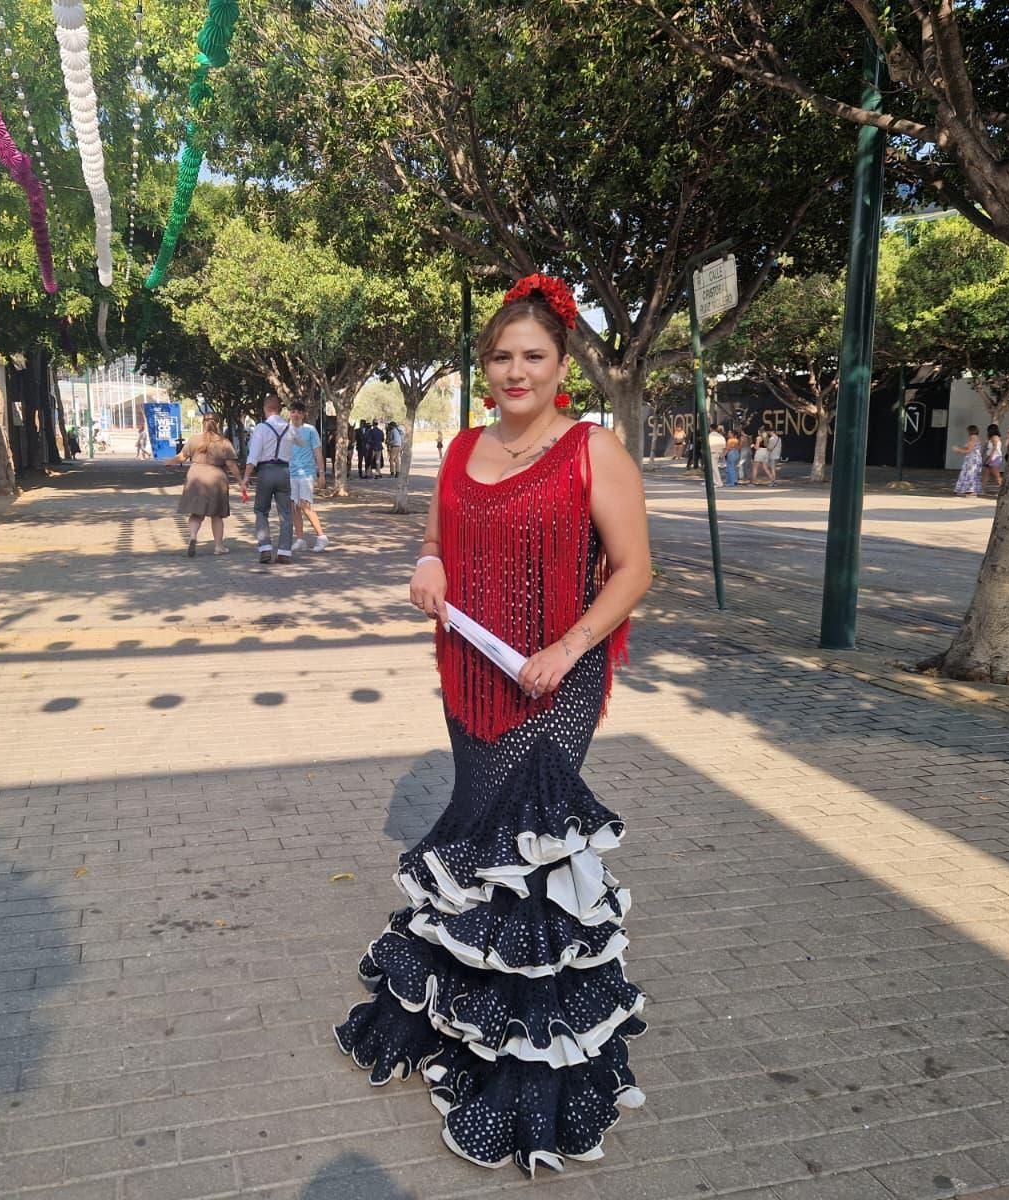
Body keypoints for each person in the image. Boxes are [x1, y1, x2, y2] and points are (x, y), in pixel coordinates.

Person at [334, 273, 652, 1174]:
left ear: (562, 366)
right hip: (472, 677)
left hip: (557, 679)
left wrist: (570, 645)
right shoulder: (465, 447)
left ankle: (532, 1064)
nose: (517, 371)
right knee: (480, 838)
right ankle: (461, 1013)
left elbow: (633, 569)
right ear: (486, 367)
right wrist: (429, 561)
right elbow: (438, 538)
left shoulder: (593, 450)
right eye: (502, 357)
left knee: (530, 848)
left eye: (534, 357)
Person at [169, 415, 241, 556]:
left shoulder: (194, 439)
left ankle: (193, 536)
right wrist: (240, 481)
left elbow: (182, 457)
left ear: (203, 423)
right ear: (218, 424)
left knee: (196, 512)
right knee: (217, 515)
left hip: (195, 477)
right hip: (216, 477)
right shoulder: (224, 442)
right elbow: (231, 464)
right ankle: (218, 546)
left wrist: (169, 461)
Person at [241, 397, 297, 563]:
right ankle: (284, 552)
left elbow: (253, 456)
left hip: (266, 471)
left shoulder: (261, 428)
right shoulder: (290, 428)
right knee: (286, 513)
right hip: (284, 471)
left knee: (261, 510)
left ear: (266, 409)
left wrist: (246, 477)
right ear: (279, 409)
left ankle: (265, 548)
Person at [287, 401, 330, 553]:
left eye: (299, 412)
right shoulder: (286, 430)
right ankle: (300, 539)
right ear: (289, 413)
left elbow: (318, 452)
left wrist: (321, 473)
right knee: (294, 507)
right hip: (290, 473)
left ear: (304, 414)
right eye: (293, 411)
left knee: (305, 506)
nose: (296, 415)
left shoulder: (310, 430)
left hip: (306, 474)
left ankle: (322, 537)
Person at [953, 424, 984, 496]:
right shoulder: (977, 438)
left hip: (972, 459)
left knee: (969, 473)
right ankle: (971, 489)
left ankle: (969, 489)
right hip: (975, 458)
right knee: (973, 473)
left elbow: (969, 450)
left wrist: (958, 450)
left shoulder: (972, 438)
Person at [984, 423, 1006, 491]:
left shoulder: (994, 437)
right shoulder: (994, 438)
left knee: (997, 475)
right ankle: (982, 489)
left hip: (994, 457)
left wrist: (990, 459)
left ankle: (1003, 489)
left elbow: (994, 448)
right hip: (993, 457)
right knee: (986, 474)